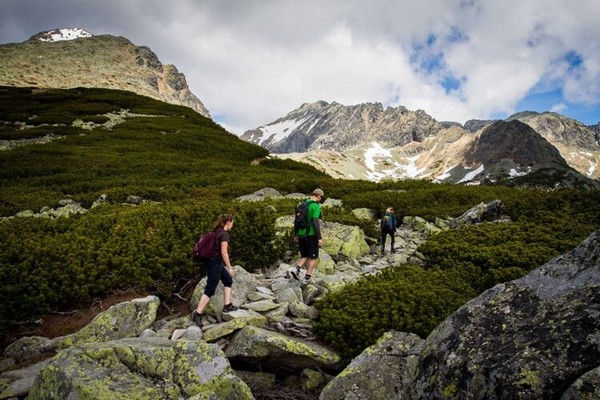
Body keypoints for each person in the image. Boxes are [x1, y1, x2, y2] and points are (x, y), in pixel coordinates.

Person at [192, 213, 238, 327]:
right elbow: (224, 252)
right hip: (215, 263)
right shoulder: (224, 234)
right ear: (228, 222)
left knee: (227, 280)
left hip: (213, 262)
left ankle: (227, 305)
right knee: (210, 289)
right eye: (232, 223)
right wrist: (229, 268)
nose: (232, 225)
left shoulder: (216, 231)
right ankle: (198, 313)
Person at [291, 188, 324, 284]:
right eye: (321, 198)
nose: (320, 200)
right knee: (313, 257)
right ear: (318, 196)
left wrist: (296, 234)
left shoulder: (301, 205)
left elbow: (296, 222)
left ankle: (296, 269)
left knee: (304, 255)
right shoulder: (315, 206)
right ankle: (307, 277)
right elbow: (315, 222)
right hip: (311, 235)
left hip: (301, 234)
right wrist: (319, 238)